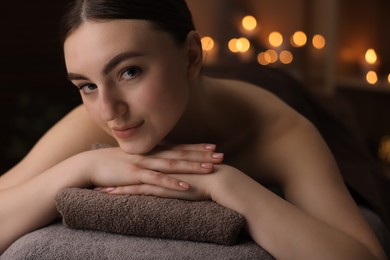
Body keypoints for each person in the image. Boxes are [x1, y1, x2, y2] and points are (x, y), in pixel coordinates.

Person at [0, 0, 387, 259]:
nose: (108, 110)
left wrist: (225, 184)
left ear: (191, 55)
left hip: (263, 87)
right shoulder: (95, 117)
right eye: (86, 85)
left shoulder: (281, 131)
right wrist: (81, 166)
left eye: (129, 71)